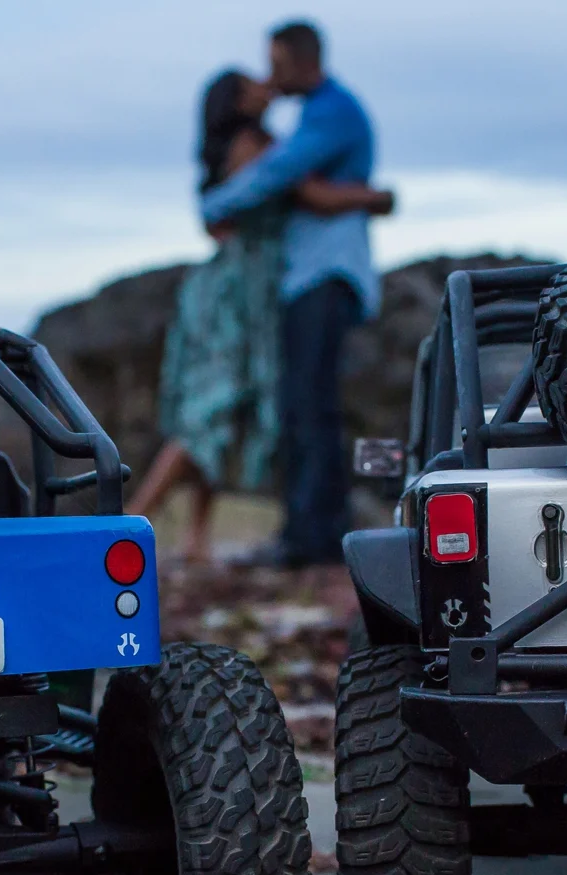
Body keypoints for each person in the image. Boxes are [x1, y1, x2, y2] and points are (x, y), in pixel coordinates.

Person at [128, 68, 393, 562]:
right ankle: (131, 524)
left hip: (252, 291)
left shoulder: (256, 141)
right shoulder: (255, 145)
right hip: (237, 297)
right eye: (253, 83)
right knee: (212, 411)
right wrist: (375, 197)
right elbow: (306, 192)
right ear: (238, 102)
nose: (267, 82)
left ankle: (195, 538)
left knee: (229, 412)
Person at [198, 21, 382, 568]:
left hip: (325, 274)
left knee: (310, 404)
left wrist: (212, 205)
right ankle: (312, 531)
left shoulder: (333, 112)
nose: (271, 80)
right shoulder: (316, 114)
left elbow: (279, 173)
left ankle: (314, 538)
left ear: (304, 61)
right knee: (303, 404)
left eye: (277, 66)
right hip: (307, 274)